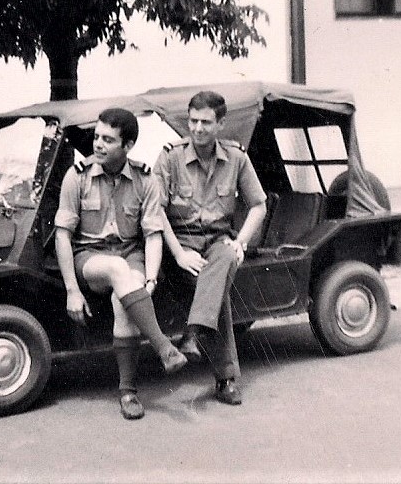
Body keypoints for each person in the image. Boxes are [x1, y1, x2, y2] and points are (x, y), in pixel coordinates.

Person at [54, 107, 187, 420]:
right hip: (90, 257)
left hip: (132, 254)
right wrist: (72, 290)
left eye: (108, 140)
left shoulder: (145, 179)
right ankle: (164, 347)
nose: (98, 144)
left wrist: (151, 279)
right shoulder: (77, 176)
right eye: (97, 137)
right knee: (117, 271)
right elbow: (62, 236)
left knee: (122, 300)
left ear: (127, 146)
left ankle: (127, 392)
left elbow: (153, 235)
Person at [153, 90, 267, 405]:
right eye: (193, 121)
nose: (198, 128)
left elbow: (259, 205)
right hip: (181, 242)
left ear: (220, 124)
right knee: (217, 289)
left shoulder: (236, 158)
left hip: (219, 238)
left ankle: (194, 334)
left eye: (206, 122)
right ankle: (225, 378)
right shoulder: (170, 157)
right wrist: (177, 252)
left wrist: (240, 241)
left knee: (225, 259)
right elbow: (156, 210)